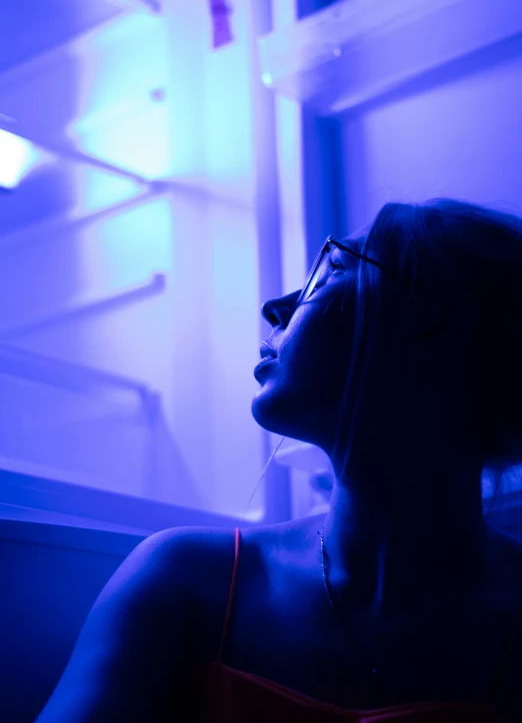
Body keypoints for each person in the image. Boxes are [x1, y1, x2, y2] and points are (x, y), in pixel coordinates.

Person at [35, 198, 522, 722]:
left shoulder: (199, 583)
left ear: (438, 324)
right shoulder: (185, 581)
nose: (276, 306)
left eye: (333, 268)